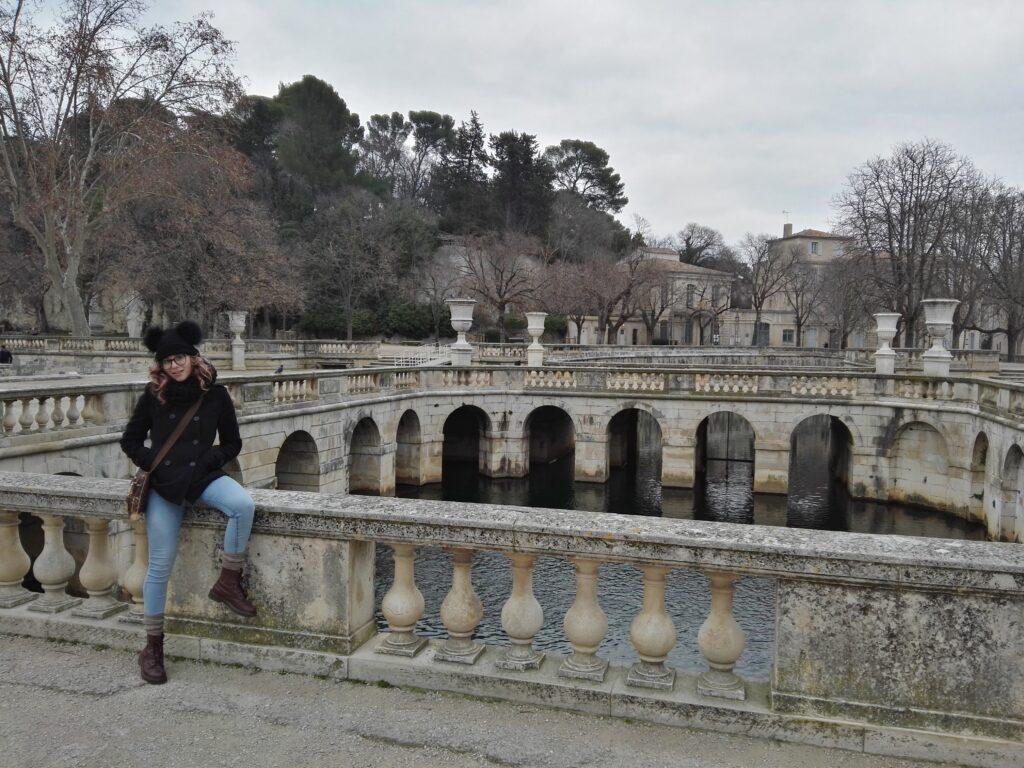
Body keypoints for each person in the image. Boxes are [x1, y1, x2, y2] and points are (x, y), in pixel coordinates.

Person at [120, 320, 256, 685]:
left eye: (179, 358)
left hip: (202, 477)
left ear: (193, 357)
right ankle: (152, 647)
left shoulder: (216, 395)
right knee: (159, 566)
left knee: (242, 506)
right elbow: (131, 441)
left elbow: (231, 445)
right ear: (160, 366)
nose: (174, 366)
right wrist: (155, 464)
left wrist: (204, 463)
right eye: (166, 361)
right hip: (165, 485)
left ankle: (228, 581)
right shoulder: (153, 395)